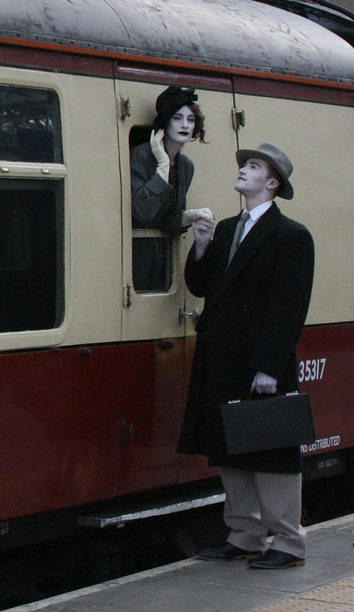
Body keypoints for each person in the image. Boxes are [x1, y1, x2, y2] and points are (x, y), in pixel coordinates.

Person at [179, 143, 315, 569]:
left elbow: (288, 307)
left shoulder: (291, 235)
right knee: (228, 449)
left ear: (271, 183)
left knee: (271, 450)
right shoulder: (224, 230)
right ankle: (245, 535)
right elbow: (202, 288)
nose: (243, 171)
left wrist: (270, 367)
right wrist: (200, 246)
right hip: (221, 358)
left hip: (259, 361)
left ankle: (289, 543)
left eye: (253, 166)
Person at [130, 85, 211, 290]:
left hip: (162, 260)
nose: (185, 125)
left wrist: (190, 216)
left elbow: (167, 222)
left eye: (190, 120)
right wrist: (163, 165)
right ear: (165, 122)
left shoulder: (186, 167)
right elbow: (142, 212)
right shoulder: (140, 155)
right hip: (134, 254)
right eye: (177, 118)